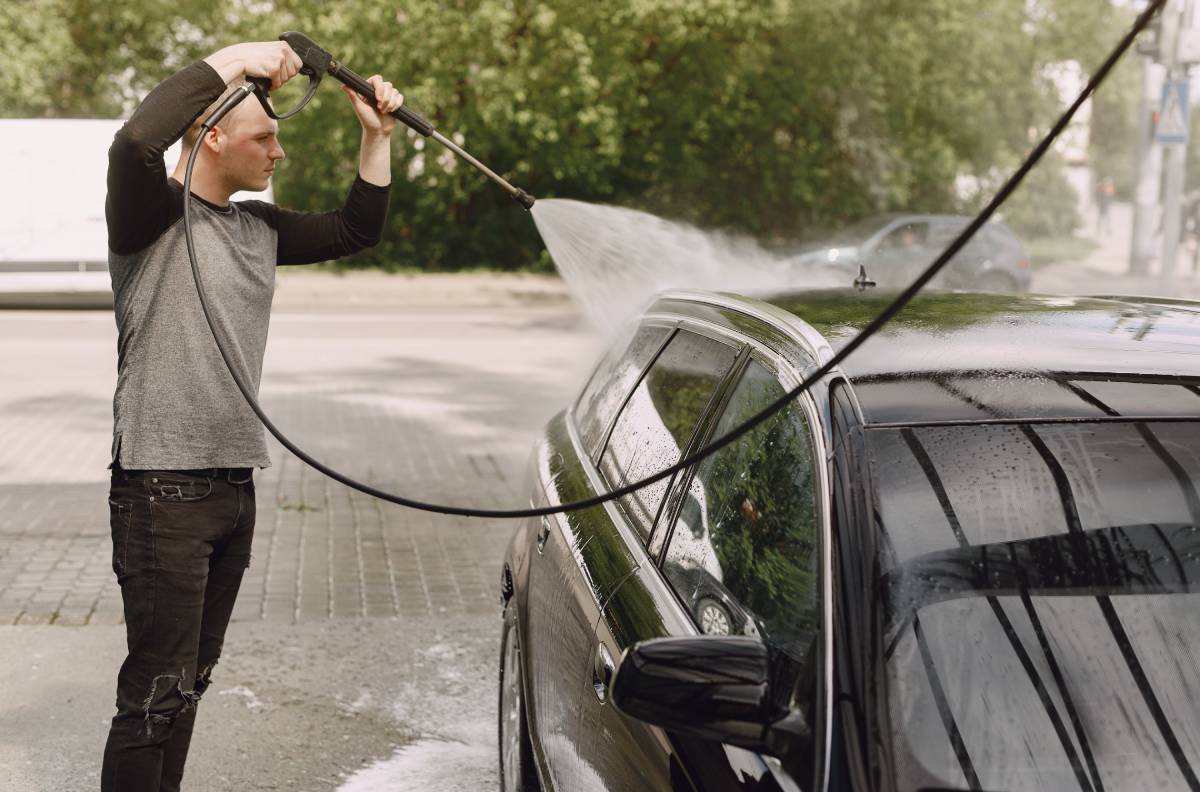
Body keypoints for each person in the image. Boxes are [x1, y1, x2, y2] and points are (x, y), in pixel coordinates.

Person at [101, 40, 403, 792]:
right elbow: (137, 140)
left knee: (187, 686)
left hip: (234, 490)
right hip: (160, 490)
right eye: (265, 137)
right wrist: (240, 57)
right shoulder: (149, 220)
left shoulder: (257, 230)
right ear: (211, 136)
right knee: (152, 697)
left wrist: (375, 136)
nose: (278, 151)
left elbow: (355, 231)